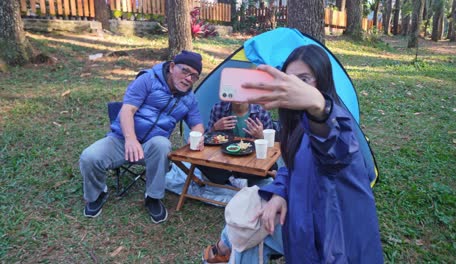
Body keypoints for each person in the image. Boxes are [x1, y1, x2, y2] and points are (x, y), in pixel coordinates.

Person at [203, 44, 383, 263]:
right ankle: (224, 248)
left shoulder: (334, 123)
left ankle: (223, 248)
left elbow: (335, 149)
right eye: (290, 80)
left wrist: (319, 106)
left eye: (304, 79)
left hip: (335, 238)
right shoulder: (297, 125)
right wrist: (280, 193)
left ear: (323, 81)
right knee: (250, 220)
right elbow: (292, 168)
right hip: (302, 219)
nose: (295, 87)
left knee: (248, 227)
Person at [80, 50, 205, 224]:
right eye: (185, 71)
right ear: (172, 67)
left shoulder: (189, 98)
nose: (188, 79)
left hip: (151, 148)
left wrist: (198, 136)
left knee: (162, 144)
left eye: (194, 76)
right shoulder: (147, 79)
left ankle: (153, 197)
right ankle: (98, 193)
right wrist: (130, 139)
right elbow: (127, 110)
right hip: (122, 139)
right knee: (89, 157)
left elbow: (196, 122)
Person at [198, 101, 275, 187]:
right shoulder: (218, 108)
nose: (238, 97)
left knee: (272, 166)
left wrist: (261, 136)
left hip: (250, 160)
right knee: (199, 160)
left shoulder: (262, 112)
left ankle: (230, 178)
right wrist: (214, 128)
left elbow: (272, 148)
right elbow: (205, 139)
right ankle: (234, 178)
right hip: (225, 159)